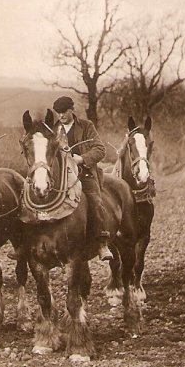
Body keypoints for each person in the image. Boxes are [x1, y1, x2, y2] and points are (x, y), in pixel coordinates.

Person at [52, 96, 114, 261]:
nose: (61, 116)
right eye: (58, 113)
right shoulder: (53, 129)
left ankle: (102, 243)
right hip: (60, 177)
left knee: (95, 201)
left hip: (83, 174)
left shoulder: (86, 126)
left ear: (72, 110)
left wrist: (81, 158)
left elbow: (100, 149)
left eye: (64, 112)